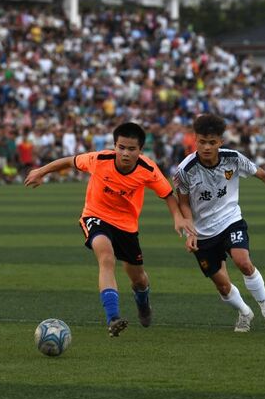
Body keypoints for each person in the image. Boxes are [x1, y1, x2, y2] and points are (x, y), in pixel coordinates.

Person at [25, 122, 195, 337]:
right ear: (114, 146)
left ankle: (143, 302)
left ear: (140, 150)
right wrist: (41, 171)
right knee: (106, 258)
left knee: (139, 278)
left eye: (131, 149)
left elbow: (167, 195)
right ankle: (113, 318)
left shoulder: (148, 169)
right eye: (121, 147)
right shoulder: (99, 159)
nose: (125, 153)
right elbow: (70, 161)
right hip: (95, 216)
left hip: (127, 225)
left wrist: (177, 217)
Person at [173, 114, 265, 333]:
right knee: (223, 285)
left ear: (221, 142)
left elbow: (264, 175)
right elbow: (184, 204)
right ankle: (245, 312)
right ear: (194, 140)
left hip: (230, 220)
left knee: (243, 262)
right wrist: (190, 232)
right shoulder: (184, 171)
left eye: (212, 142)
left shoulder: (233, 158)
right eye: (201, 142)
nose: (206, 147)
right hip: (203, 232)